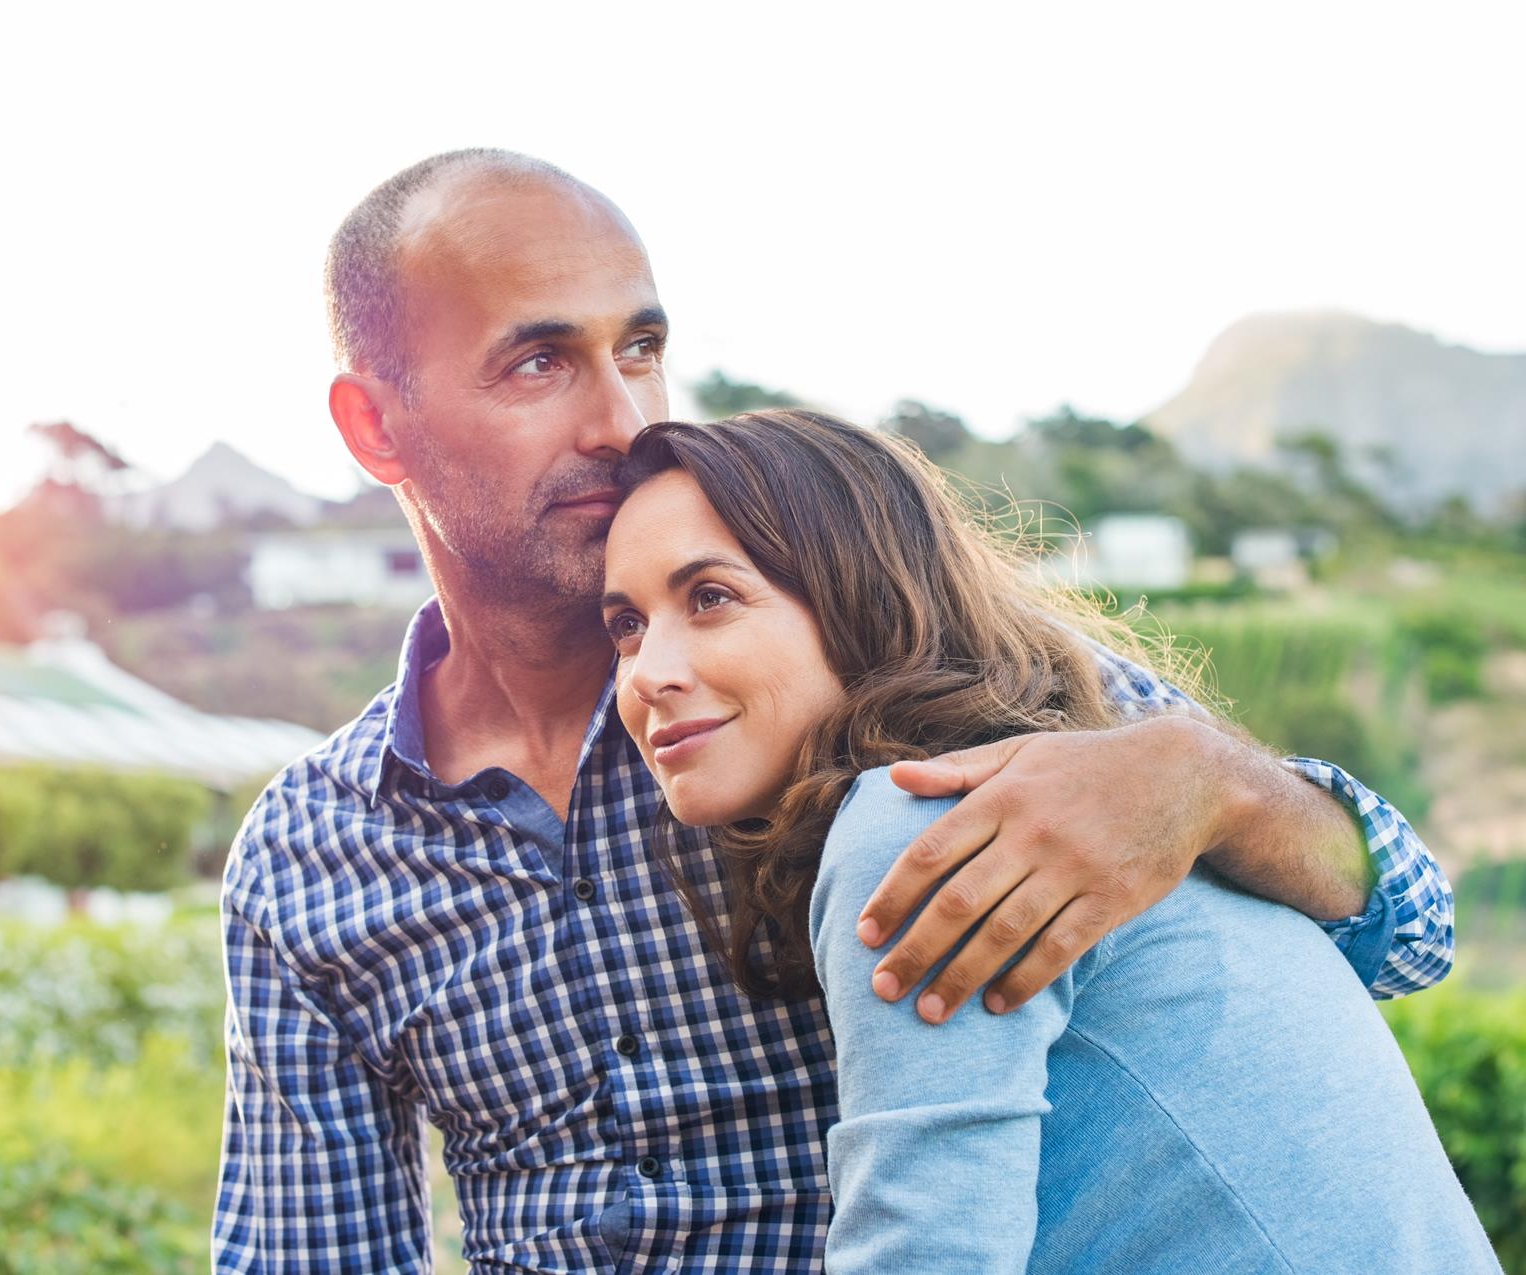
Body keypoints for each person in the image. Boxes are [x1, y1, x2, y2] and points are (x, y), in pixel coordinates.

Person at [213, 148, 1455, 1271]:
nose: (622, 419)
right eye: (539, 362)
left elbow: (1407, 931)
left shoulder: (906, 693)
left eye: (640, 350)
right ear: (377, 425)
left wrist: (1211, 784)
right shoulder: (306, 856)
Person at [599, 409, 1496, 1273]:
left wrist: (1221, 777)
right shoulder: (1061, 773)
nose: (648, 676)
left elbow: (927, 1256)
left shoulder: (929, 817)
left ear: (856, 598)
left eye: (711, 598)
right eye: (626, 626)